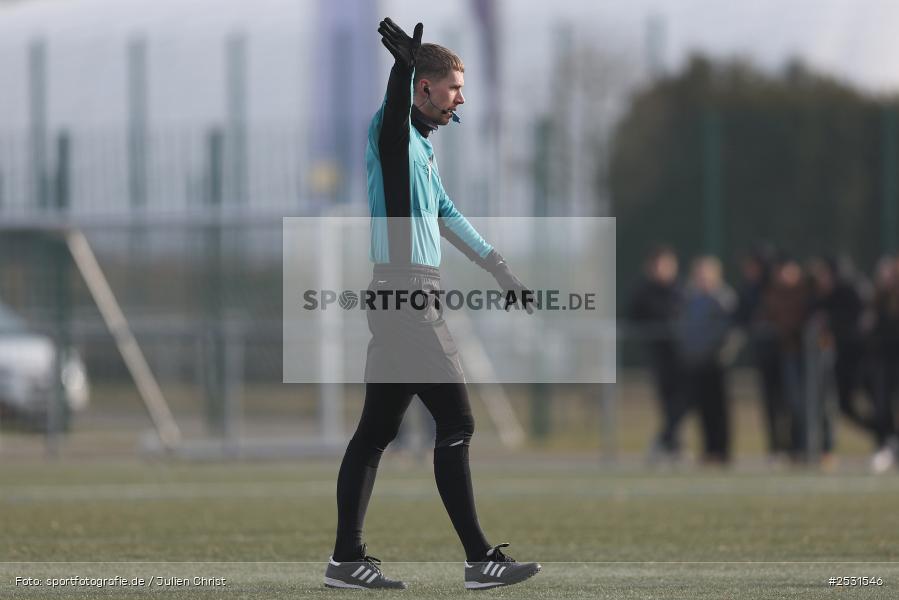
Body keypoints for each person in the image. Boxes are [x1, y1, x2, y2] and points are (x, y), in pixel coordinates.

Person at [323, 18, 541, 591]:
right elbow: (394, 116)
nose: (461, 97)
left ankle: (346, 561)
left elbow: (445, 212)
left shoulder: (421, 145)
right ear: (424, 88)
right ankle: (478, 560)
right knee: (458, 421)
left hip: (409, 292)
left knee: (374, 433)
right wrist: (400, 70)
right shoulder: (392, 132)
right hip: (407, 295)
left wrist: (498, 266)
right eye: (453, 87)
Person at [627, 245, 686, 463]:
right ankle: (672, 445)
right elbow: (633, 316)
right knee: (668, 403)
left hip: (685, 356)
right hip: (660, 357)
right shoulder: (644, 292)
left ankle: (666, 440)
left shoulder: (682, 290)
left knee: (683, 402)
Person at [677, 256, 737, 464]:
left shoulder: (723, 298)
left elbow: (731, 331)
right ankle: (708, 451)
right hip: (696, 361)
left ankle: (722, 451)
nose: (702, 278)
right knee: (702, 411)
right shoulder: (690, 298)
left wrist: (723, 352)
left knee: (719, 409)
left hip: (717, 362)